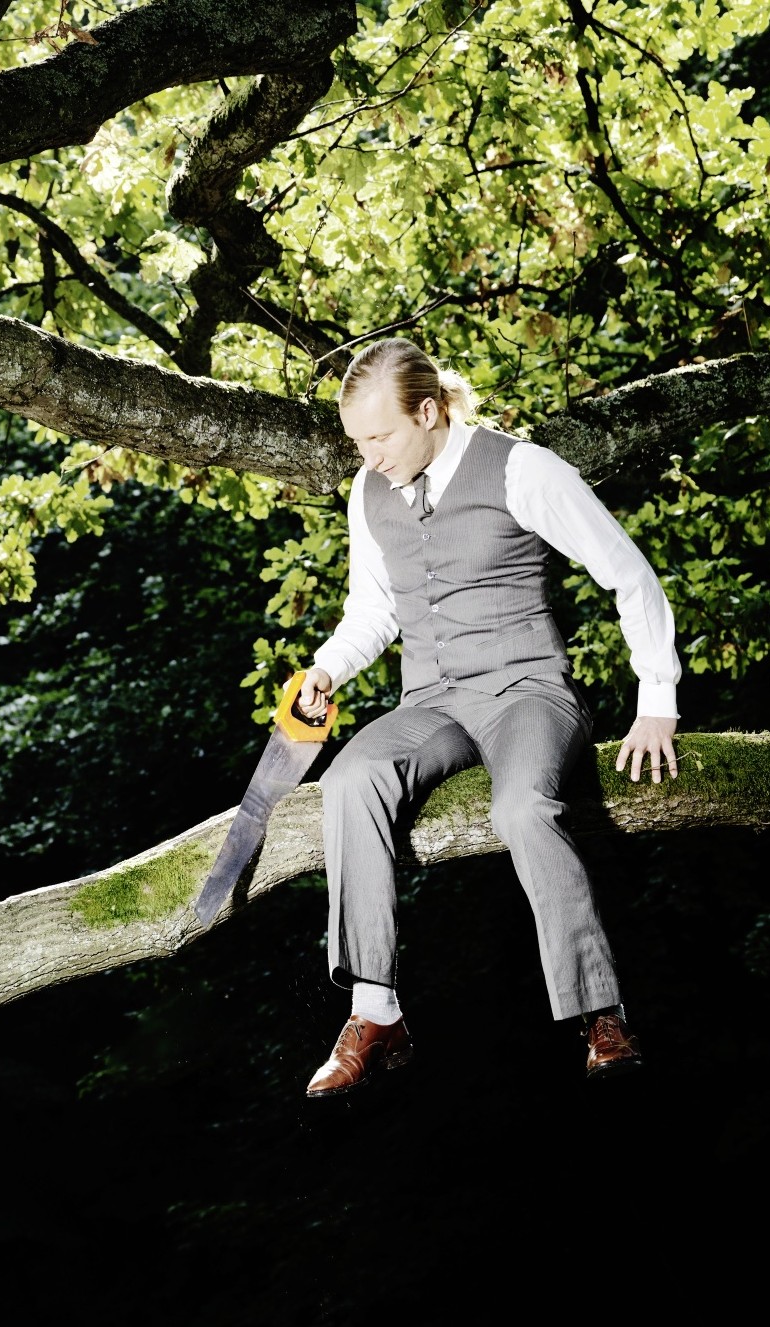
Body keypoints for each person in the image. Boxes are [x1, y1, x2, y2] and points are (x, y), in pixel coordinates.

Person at [297, 338, 680, 1094]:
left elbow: (628, 573)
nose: (368, 456)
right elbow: (373, 610)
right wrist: (327, 668)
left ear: (428, 412)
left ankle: (599, 1012)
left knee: (522, 808)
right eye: (357, 441)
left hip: (526, 689)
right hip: (432, 701)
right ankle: (375, 1011)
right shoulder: (368, 491)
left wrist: (656, 702)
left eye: (380, 437)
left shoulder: (521, 468)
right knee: (349, 779)